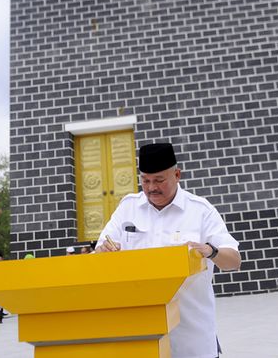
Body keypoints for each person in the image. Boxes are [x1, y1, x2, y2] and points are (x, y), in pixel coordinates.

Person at [96, 143, 241, 358]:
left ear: (177, 174)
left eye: (159, 180)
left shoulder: (201, 210)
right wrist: (103, 250)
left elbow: (234, 261)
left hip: (192, 338)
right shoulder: (128, 208)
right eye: (145, 180)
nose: (151, 187)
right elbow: (100, 252)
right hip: (141, 338)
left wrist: (210, 251)